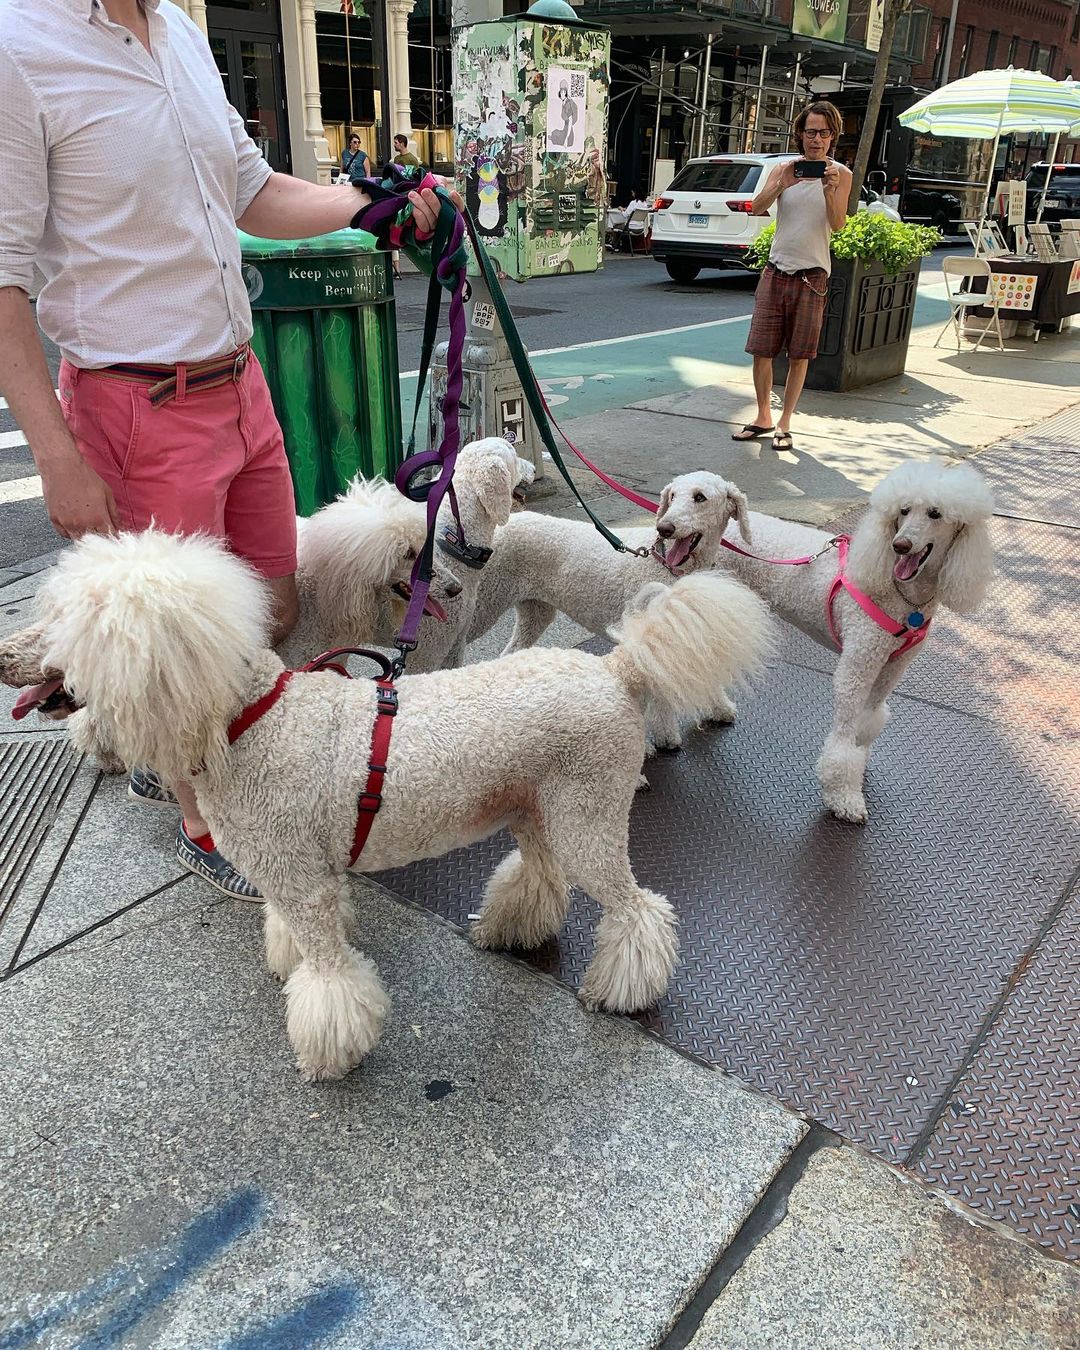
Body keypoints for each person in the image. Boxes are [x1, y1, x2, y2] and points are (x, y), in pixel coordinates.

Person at [0, 0, 450, 900]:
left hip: (239, 382)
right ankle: (205, 824)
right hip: (134, 401)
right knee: (181, 656)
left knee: (272, 611)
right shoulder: (19, 44)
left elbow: (254, 191)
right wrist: (55, 453)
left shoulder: (178, 28)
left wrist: (373, 203)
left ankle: (159, 753)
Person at [733, 101, 852, 450]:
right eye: (811, 132)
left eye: (824, 133)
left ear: (832, 137)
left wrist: (830, 191)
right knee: (761, 349)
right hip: (777, 268)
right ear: (800, 134)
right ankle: (763, 416)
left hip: (813, 275)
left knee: (800, 354)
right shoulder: (784, 168)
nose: (817, 139)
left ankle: (785, 422)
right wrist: (782, 183)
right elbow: (756, 207)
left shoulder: (841, 175)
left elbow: (838, 224)